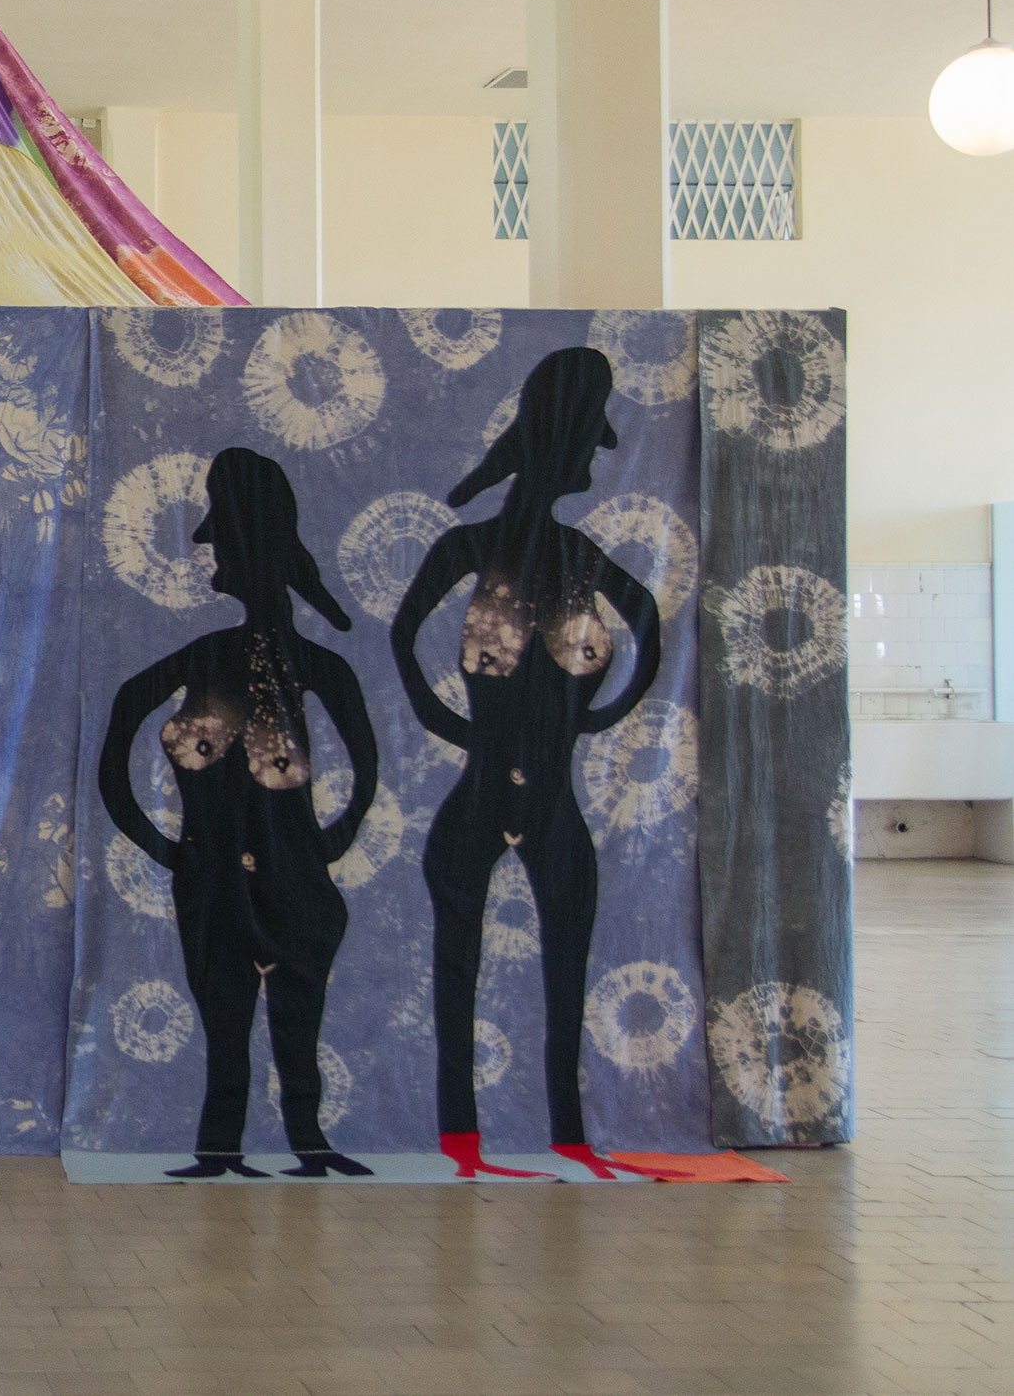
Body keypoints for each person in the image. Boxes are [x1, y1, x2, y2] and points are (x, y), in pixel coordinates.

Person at [388, 346, 681, 1182]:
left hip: (554, 798)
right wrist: (444, 719)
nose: (601, 450)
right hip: (480, 794)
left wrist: (598, 716)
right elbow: (403, 630)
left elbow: (649, 621)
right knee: (458, 972)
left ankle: (568, 1136)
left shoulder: (581, 557)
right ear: (564, 439)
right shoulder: (472, 546)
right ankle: (461, 1141)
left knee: (565, 981)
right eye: (592, 434)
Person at [99, 448, 379, 1179]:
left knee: (294, 1022)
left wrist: (329, 839)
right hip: (215, 880)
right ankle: (223, 1147)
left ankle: (305, 1140)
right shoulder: (203, 659)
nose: (219, 554)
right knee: (227, 1027)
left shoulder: (312, 667)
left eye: (224, 538)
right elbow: (121, 718)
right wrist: (166, 846)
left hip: (289, 881)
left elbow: (367, 764)